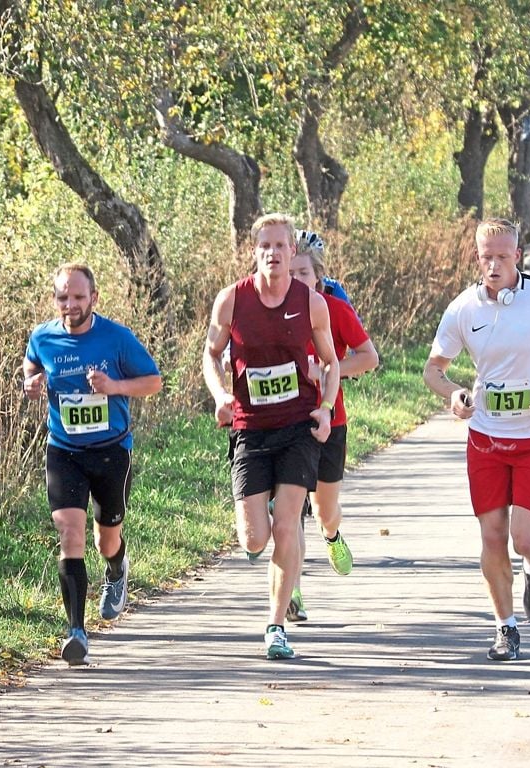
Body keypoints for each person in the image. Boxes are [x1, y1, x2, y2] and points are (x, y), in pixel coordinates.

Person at [422, 218, 530, 662]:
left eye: (502, 256)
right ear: (476, 258)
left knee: (523, 539)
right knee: (492, 536)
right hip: (486, 438)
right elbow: (433, 369)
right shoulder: (464, 309)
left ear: (517, 255)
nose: (494, 265)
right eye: (486, 257)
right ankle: (505, 628)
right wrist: (454, 395)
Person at [202, 213, 341, 660]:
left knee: (286, 526)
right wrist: (221, 393)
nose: (274, 253)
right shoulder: (231, 301)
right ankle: (253, 510)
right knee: (253, 539)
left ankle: (276, 626)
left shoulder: (311, 303)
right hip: (249, 427)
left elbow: (332, 361)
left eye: (281, 246)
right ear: (254, 251)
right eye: (265, 246)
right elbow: (211, 352)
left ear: (292, 251)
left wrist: (323, 407)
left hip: (298, 425)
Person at [23, 263, 163, 666]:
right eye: (63, 298)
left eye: (79, 297)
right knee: (70, 531)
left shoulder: (117, 338)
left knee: (106, 539)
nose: (71, 305)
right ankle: (76, 632)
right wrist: (30, 383)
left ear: (94, 298)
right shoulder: (43, 337)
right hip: (64, 450)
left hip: (111, 451)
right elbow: (31, 365)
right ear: (55, 300)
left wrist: (115, 386)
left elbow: (153, 381)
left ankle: (117, 568)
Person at [285, 232, 379, 623]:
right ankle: (292, 591)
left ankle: (333, 535)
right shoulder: (272, 311)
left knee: (325, 509)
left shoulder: (334, 311)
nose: (296, 280)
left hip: (330, 420)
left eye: (303, 273)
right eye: (290, 273)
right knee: (289, 512)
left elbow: (369, 358)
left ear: (319, 276)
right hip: (285, 422)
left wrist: (330, 372)